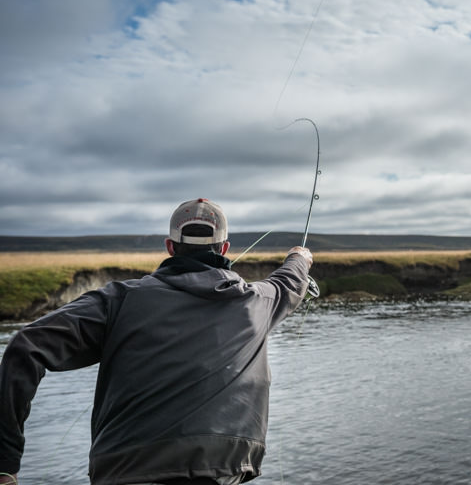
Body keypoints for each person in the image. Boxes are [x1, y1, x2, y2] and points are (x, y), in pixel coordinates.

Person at [0, 199, 313, 485]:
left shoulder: (117, 300)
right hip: (222, 469)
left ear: (170, 246)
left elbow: (25, 347)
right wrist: (299, 257)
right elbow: (289, 281)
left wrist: (5, 465)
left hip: (122, 470)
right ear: (224, 247)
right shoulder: (258, 301)